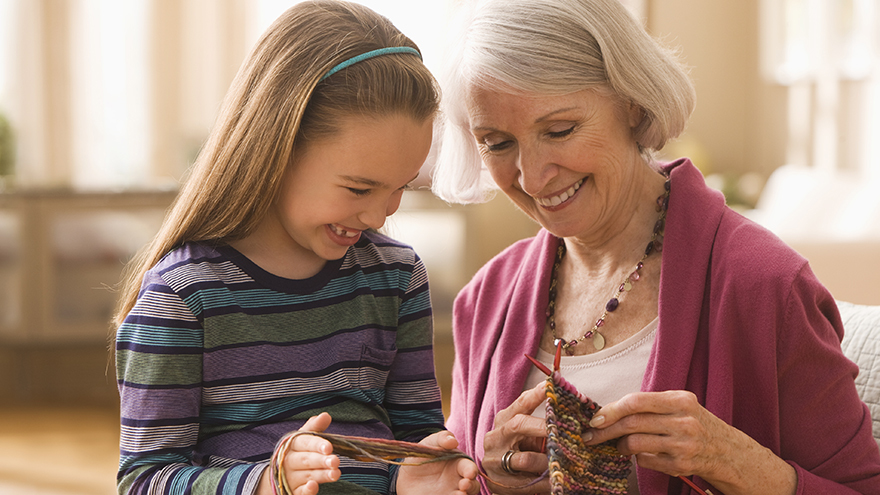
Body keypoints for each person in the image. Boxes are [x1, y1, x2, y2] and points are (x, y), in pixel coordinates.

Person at [430, 0, 880, 493]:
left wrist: (729, 459)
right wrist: (487, 479)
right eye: (497, 143)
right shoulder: (484, 299)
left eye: (559, 130)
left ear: (632, 103)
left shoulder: (767, 285)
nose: (532, 177)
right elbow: (458, 476)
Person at [112, 2, 479, 494]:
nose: (378, 216)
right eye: (358, 189)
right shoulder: (182, 297)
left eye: (401, 188)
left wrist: (424, 476)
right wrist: (264, 483)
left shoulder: (397, 276)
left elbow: (414, 443)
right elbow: (144, 481)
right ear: (277, 147)